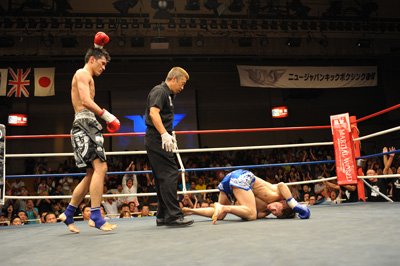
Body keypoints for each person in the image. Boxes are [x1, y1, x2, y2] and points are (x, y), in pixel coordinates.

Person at [59, 32, 119, 233]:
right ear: (92, 60)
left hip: (82, 124)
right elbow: (85, 100)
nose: (104, 67)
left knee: (91, 173)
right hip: (86, 123)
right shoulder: (83, 73)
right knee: (101, 168)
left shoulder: (85, 73)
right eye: (102, 63)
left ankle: (68, 213)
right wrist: (107, 115)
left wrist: (97, 46)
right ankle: (96, 216)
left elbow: (95, 56)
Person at [144, 67, 193, 227]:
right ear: (174, 79)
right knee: (170, 174)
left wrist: (168, 134)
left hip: (158, 139)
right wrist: (165, 134)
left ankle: (163, 215)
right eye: (182, 83)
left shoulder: (168, 95)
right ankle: (173, 216)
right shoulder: (160, 91)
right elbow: (153, 113)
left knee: (161, 178)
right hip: (157, 139)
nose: (182, 87)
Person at [183, 169, 310, 224]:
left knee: (220, 216)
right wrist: (294, 204)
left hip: (232, 183)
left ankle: (190, 211)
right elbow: (282, 184)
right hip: (242, 178)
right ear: (282, 202)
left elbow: (243, 210)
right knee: (251, 215)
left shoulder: (263, 213)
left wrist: (240, 210)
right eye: (277, 207)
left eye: (275, 213)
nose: (273, 210)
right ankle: (223, 208)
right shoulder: (278, 194)